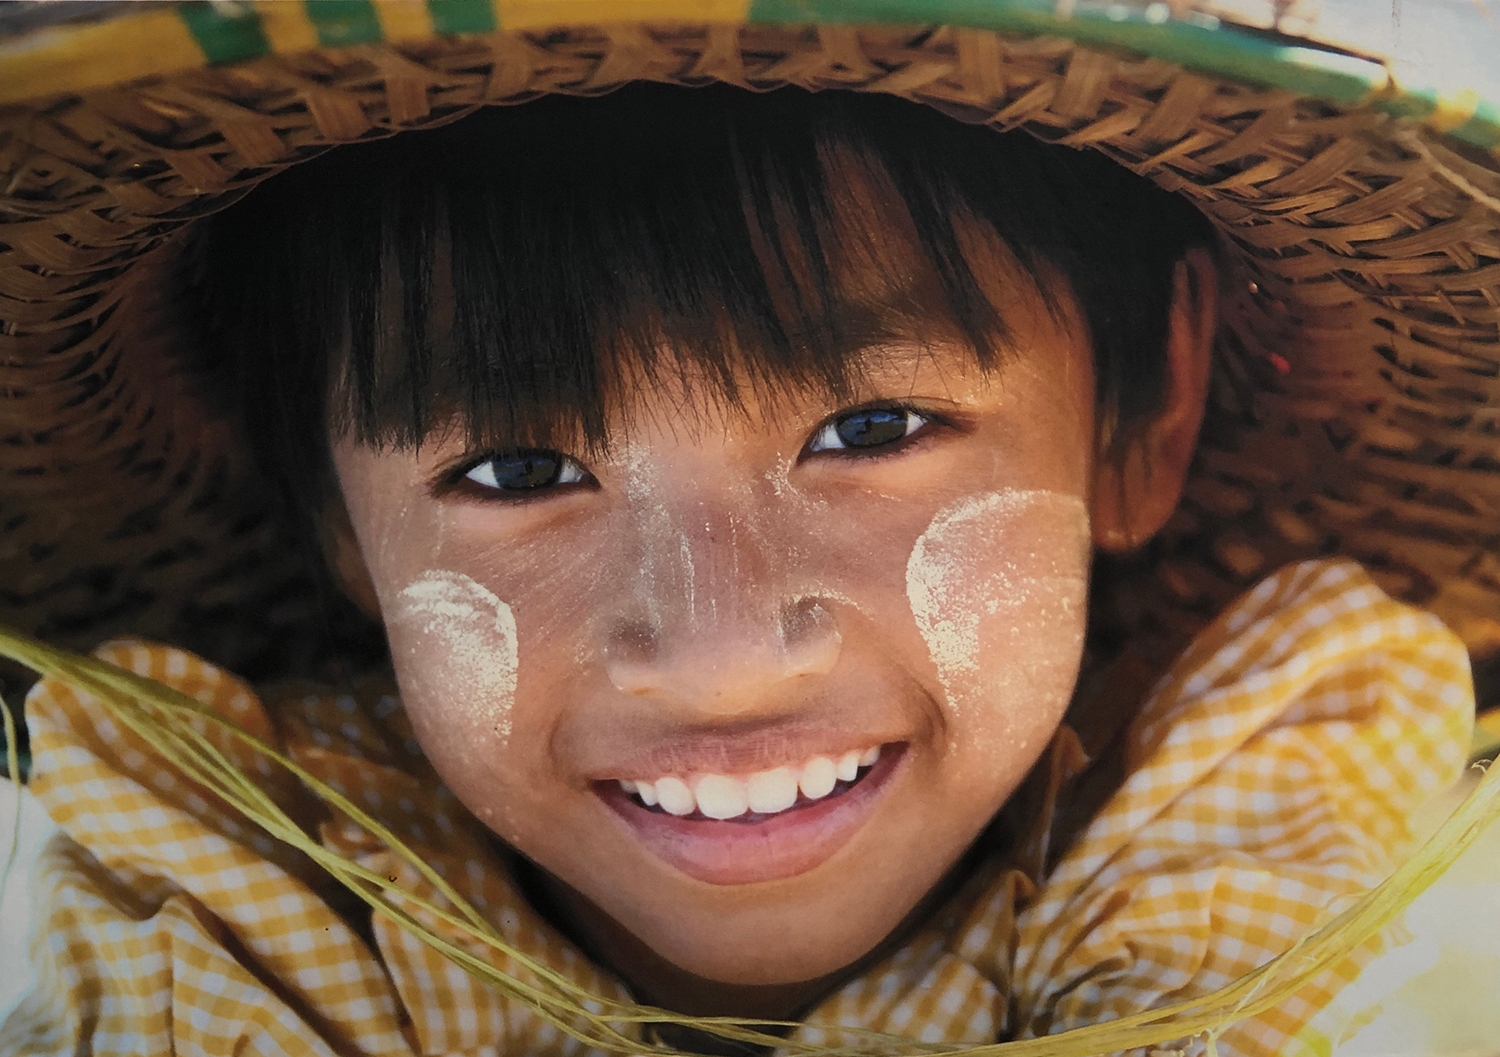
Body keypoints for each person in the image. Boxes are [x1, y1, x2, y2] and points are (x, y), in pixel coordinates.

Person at [0, 6, 1492, 1056]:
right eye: (519, 470)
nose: (715, 655)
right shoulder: (238, 883)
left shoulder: (1265, 779)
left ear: (1146, 409)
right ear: (330, 507)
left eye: (870, 431)